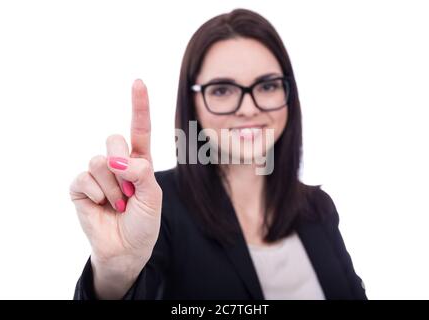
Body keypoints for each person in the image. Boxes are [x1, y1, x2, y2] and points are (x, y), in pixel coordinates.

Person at [70, 8, 366, 300]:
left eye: (267, 85)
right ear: (193, 103)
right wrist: (115, 273)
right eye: (222, 90)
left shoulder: (317, 208)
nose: (249, 108)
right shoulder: (156, 207)